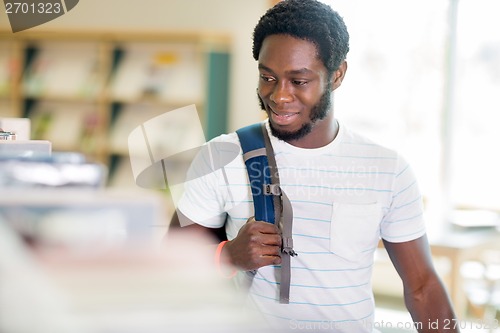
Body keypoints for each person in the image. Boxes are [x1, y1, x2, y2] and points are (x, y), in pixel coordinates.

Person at [169, 0, 459, 331]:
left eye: (299, 81)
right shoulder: (220, 156)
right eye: (268, 77)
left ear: (337, 75)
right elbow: (170, 267)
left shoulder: (387, 169)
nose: (279, 96)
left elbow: (422, 288)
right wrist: (228, 256)